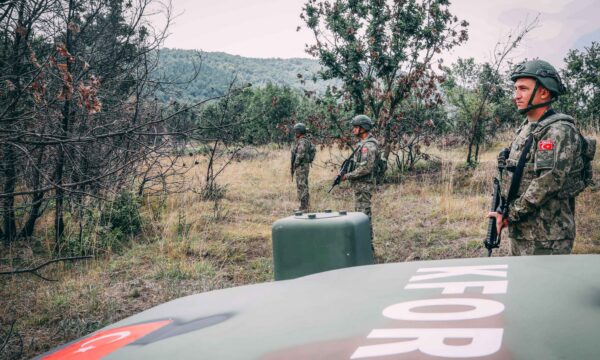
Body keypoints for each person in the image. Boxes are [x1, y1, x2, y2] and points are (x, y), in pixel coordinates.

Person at [488, 59, 586, 255]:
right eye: (515, 89)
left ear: (544, 92)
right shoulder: (527, 128)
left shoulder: (559, 131)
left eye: (523, 89)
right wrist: (503, 210)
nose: (516, 95)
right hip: (523, 231)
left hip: (548, 237)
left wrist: (511, 213)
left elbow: (547, 183)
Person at [342, 115, 379, 243]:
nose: (354, 130)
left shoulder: (368, 146)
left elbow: (365, 168)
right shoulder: (362, 144)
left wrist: (347, 176)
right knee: (360, 216)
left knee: (364, 218)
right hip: (359, 186)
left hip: (364, 186)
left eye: (356, 127)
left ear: (363, 128)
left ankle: (368, 248)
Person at [291, 123, 315, 211]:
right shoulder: (306, 140)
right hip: (304, 165)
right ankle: (305, 206)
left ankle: (304, 207)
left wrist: (295, 164)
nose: (295, 133)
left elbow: (300, 154)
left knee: (301, 185)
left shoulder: (302, 141)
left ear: (299, 132)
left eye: (296, 131)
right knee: (303, 184)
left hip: (301, 166)